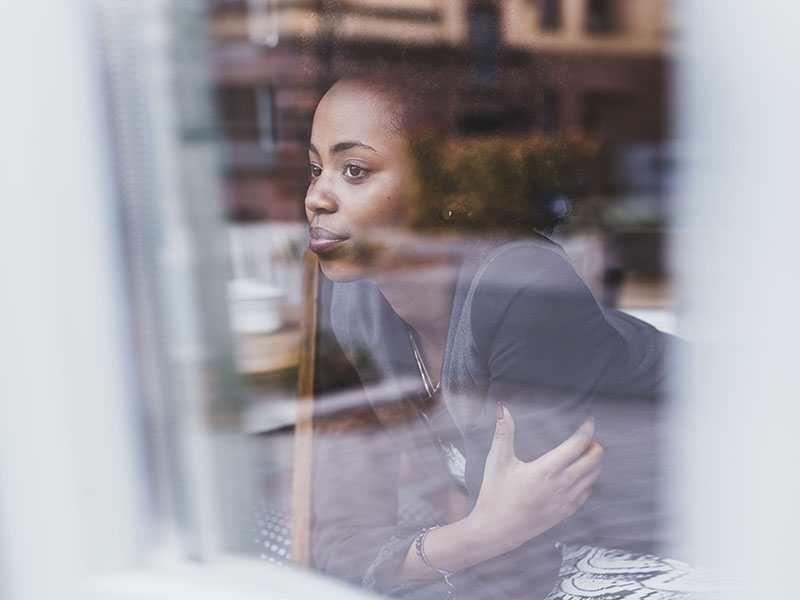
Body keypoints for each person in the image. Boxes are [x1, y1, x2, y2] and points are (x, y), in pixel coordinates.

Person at [305, 78, 677, 600]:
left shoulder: (523, 288)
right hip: (575, 553)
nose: (315, 197)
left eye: (355, 170)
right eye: (316, 168)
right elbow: (341, 545)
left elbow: (516, 570)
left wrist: (482, 540)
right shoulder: (353, 303)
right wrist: (478, 535)